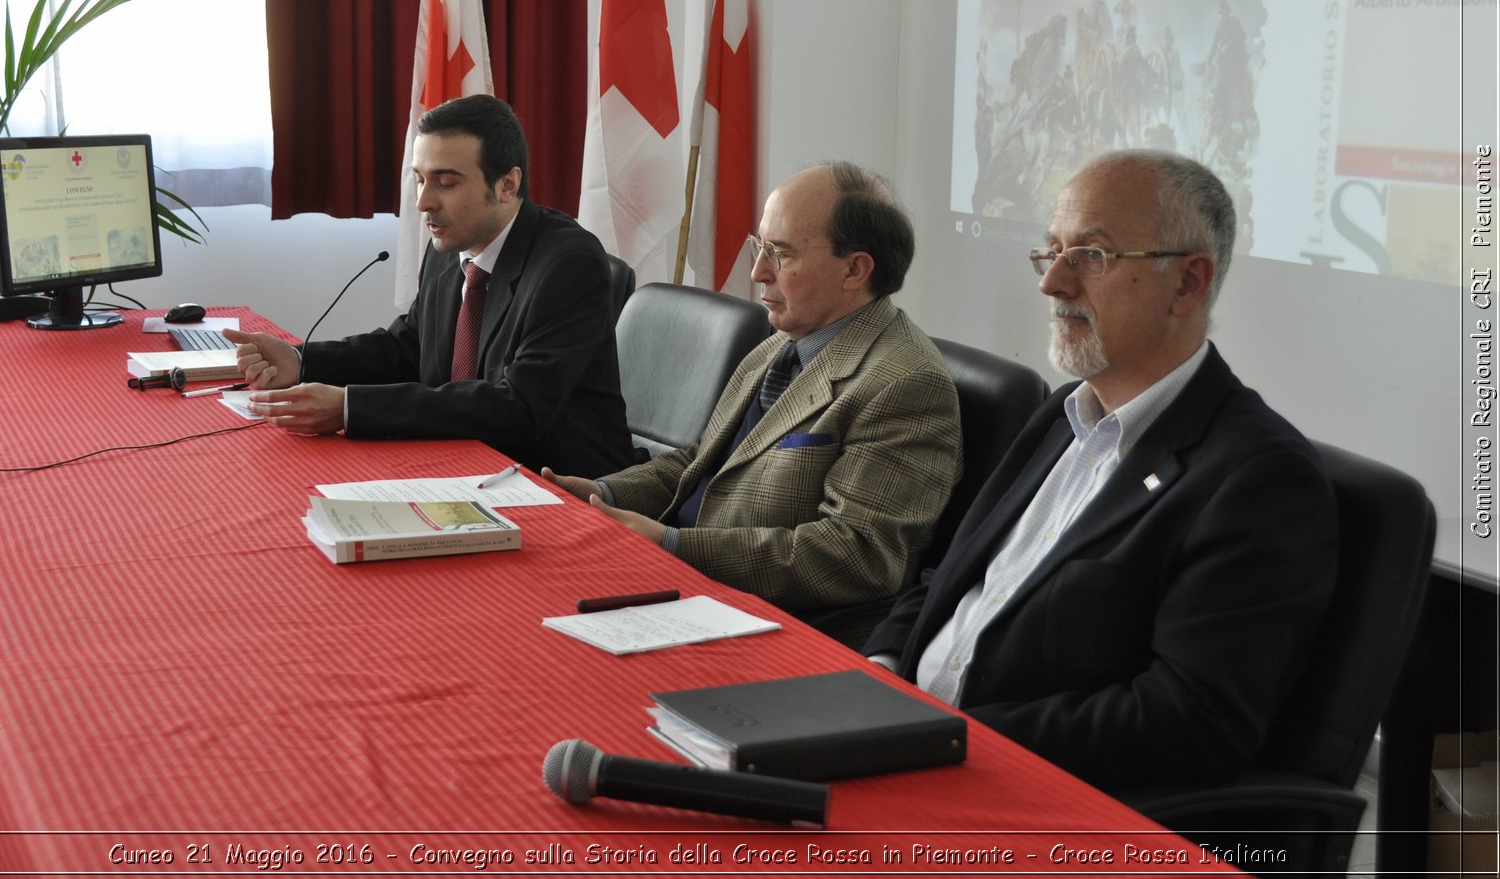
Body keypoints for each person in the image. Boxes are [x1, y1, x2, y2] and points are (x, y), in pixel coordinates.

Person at [864, 150, 1338, 792]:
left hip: (1017, 796)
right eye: (1052, 250)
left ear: (1188, 283)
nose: (1051, 282)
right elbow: (950, 577)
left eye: (1092, 254)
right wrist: (882, 667)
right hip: (895, 742)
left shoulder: (1257, 480)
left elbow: (1186, 724)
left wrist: (948, 734)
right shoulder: (1062, 413)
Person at [547, 162, 963, 649]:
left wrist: (673, 545)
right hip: (688, 590)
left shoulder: (906, 383)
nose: (757, 272)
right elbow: (700, 463)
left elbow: (858, 556)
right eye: (759, 246)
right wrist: (602, 495)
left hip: (770, 626)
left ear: (855, 269)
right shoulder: (781, 343)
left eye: (780, 254)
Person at [227, 94, 636, 478]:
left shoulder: (568, 263)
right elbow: (407, 347)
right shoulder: (448, 244)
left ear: (508, 185)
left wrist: (350, 407)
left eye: (446, 182)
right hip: (462, 463)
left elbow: (518, 406)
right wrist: (302, 362)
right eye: (420, 180)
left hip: (557, 482)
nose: (424, 202)